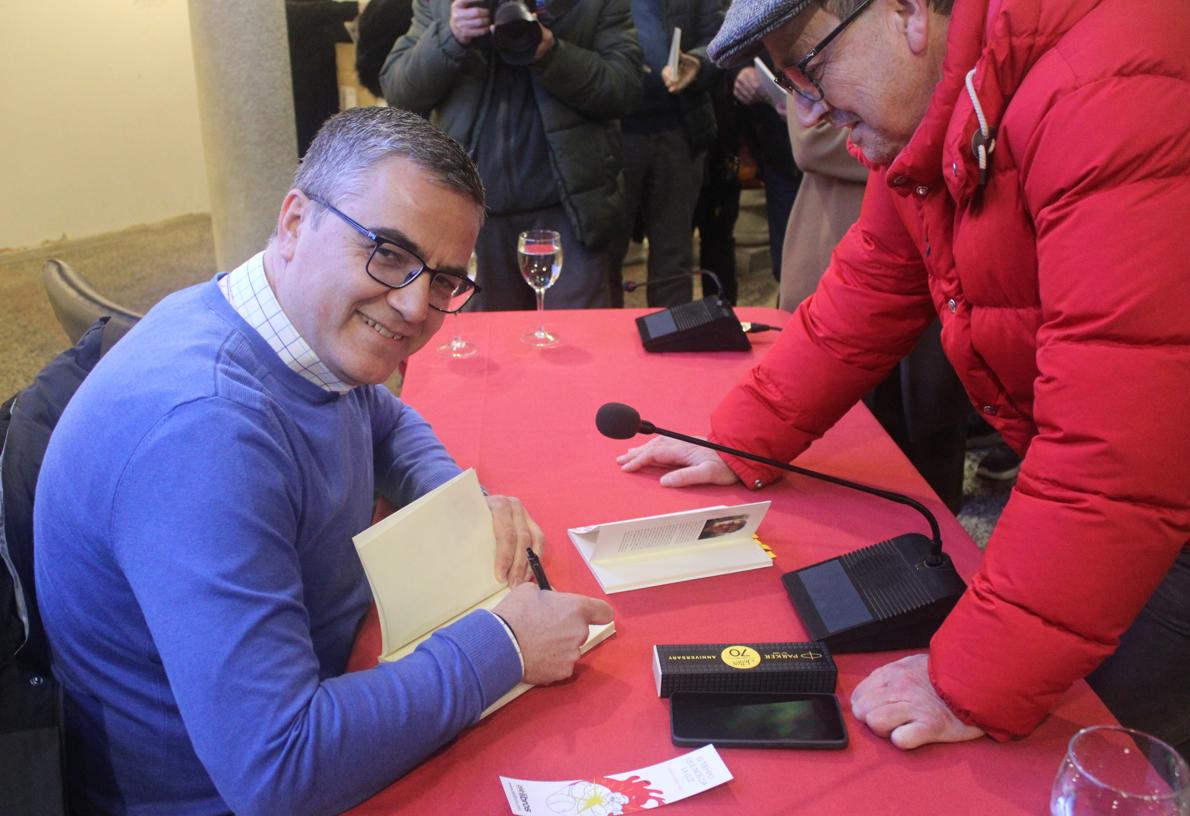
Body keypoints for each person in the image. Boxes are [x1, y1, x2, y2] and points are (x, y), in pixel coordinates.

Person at [615, 0, 1190, 757]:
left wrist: (975, 680)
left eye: (811, 72)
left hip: (1158, 499)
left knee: (1106, 754)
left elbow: (1117, 441)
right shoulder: (941, 106)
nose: (811, 116)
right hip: (1132, 490)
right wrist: (741, 440)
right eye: (788, 84)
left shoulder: (1107, 87)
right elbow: (875, 280)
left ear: (908, 12)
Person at [34, 107, 614, 814]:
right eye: (388, 254)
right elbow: (279, 770)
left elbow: (385, 419)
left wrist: (460, 502)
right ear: (293, 222)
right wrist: (505, 646)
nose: (412, 306)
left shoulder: (276, 327)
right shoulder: (204, 433)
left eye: (441, 280)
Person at [381, 0, 642, 310]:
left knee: (575, 343)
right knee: (488, 347)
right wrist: (450, 37)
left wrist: (551, 52)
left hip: (570, 213)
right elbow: (399, 90)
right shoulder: (442, 5)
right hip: (472, 216)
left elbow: (624, 88)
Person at [607, 0, 723, 308]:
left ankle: (671, 342)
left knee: (674, 258)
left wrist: (697, 63)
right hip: (610, 135)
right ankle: (603, 347)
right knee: (602, 258)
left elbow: (719, 36)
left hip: (679, 131)